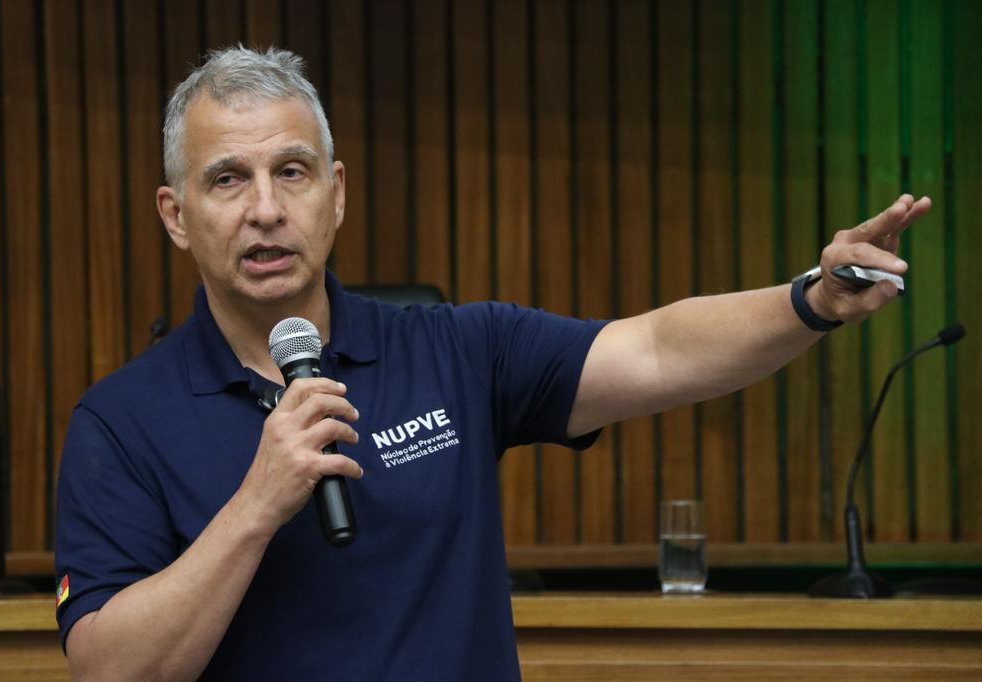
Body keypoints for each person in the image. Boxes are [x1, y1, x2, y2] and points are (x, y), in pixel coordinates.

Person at [54, 46, 930, 681]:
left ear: (337, 193)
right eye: (227, 179)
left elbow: (659, 349)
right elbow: (106, 668)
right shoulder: (119, 423)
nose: (267, 209)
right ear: (176, 215)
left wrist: (810, 300)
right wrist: (255, 507)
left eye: (293, 171)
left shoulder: (457, 350)